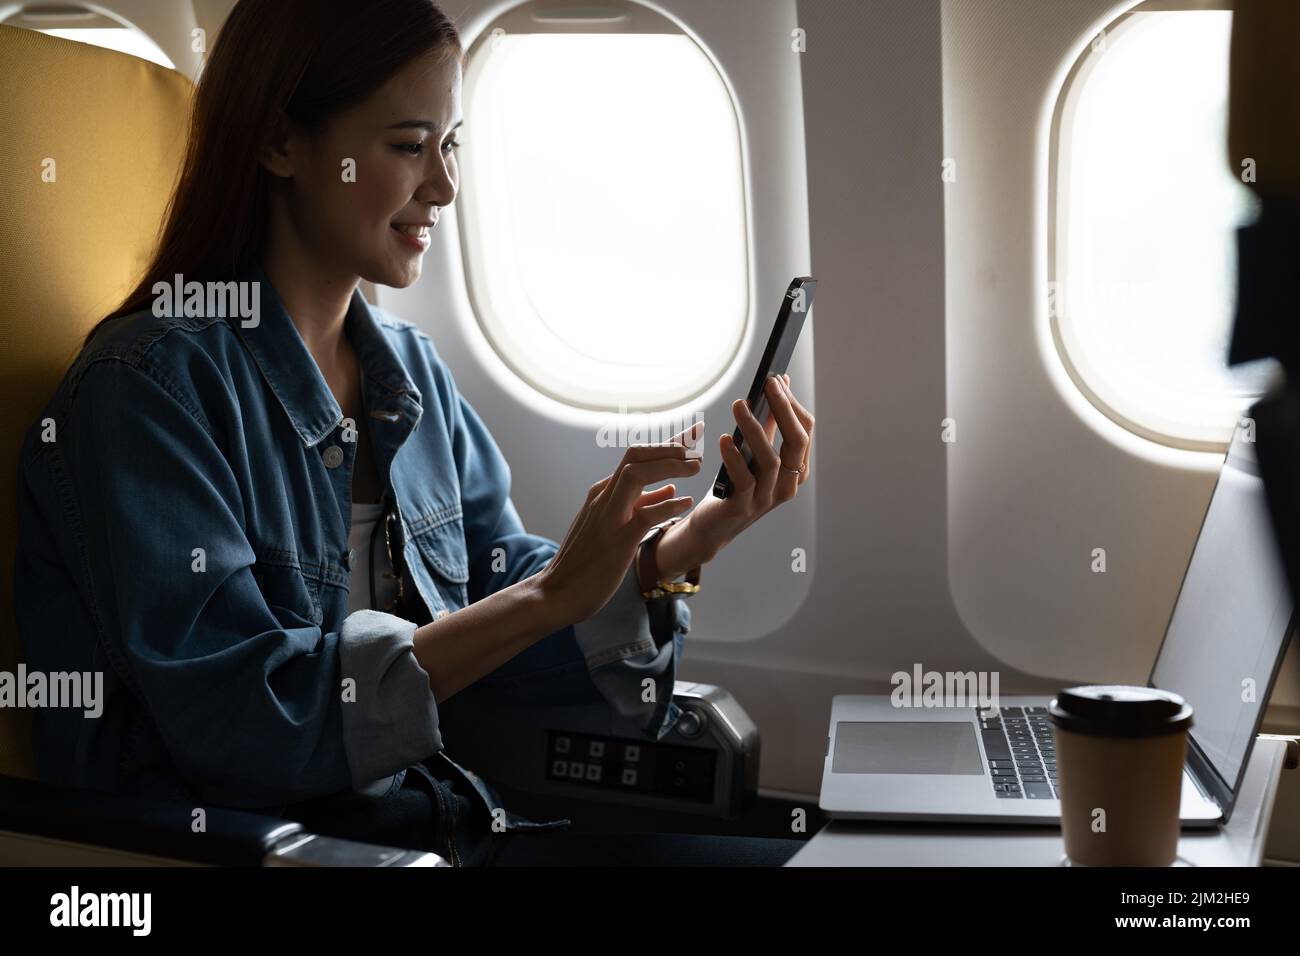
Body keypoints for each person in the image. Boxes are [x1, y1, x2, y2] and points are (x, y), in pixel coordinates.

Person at [14, 0, 814, 866]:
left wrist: (671, 551)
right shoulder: (146, 392)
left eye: (453, 145)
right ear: (280, 143)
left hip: (440, 828)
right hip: (280, 851)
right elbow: (242, 724)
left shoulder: (409, 375)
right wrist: (548, 597)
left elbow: (489, 627)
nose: (444, 185)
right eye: (408, 146)